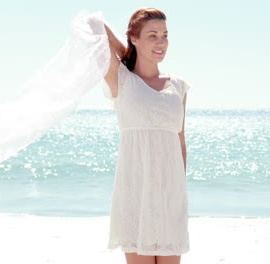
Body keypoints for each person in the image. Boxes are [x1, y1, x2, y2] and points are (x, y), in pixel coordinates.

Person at [102, 7, 191, 264]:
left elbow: (180, 142)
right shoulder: (121, 79)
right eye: (152, 35)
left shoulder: (178, 86)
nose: (161, 42)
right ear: (134, 37)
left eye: (164, 35)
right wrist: (125, 51)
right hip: (135, 196)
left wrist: (177, 196)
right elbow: (93, 25)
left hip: (170, 197)